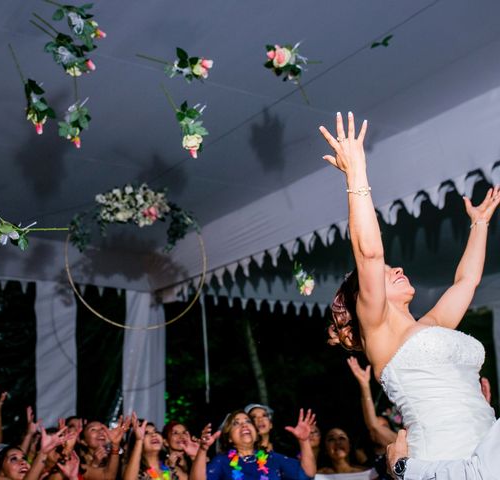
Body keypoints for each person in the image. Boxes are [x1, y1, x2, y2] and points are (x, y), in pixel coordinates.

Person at [319, 111, 499, 462]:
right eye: (388, 272)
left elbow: (466, 281)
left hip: (488, 441)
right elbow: (369, 254)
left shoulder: (431, 325)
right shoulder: (379, 331)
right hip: (446, 456)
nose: (397, 268)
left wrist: (479, 225)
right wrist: (356, 172)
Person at [190, 410, 316, 480]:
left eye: (248, 421)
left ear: (256, 432)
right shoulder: (221, 461)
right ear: (229, 438)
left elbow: (307, 473)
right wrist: (203, 449)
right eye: (236, 423)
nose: (244, 425)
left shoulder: (272, 459)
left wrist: (304, 442)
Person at [346, 358, 396, 479]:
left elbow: (373, 425)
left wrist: (365, 386)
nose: (379, 431)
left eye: (384, 427)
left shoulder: (398, 442)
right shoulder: (361, 456)